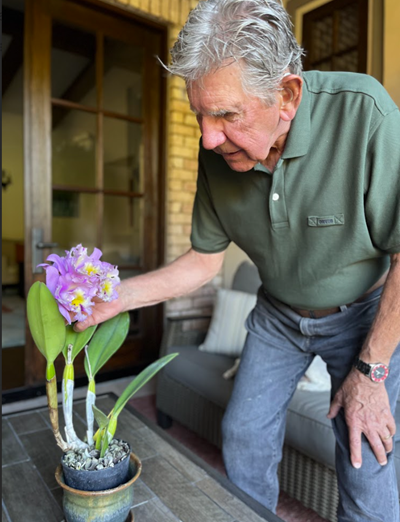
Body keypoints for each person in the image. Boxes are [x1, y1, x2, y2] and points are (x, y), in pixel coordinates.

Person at [75, 1, 400, 520]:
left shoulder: (365, 114)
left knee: (366, 458)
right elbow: (204, 262)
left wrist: (371, 370)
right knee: (243, 434)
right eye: (199, 115)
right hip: (277, 312)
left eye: (226, 115)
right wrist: (114, 299)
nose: (208, 137)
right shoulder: (219, 153)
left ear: (287, 96)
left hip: (365, 314)